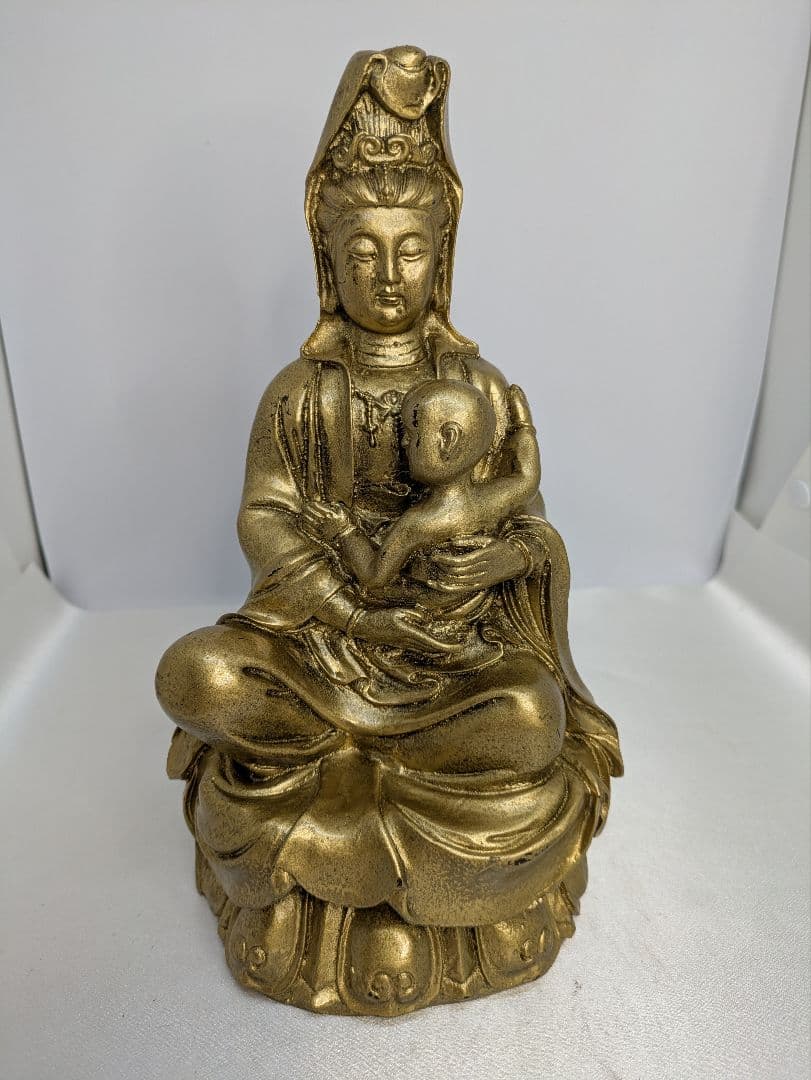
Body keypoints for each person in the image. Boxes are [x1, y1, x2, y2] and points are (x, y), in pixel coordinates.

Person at [156, 46, 622, 1015]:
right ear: (327, 257)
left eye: (409, 249)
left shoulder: (477, 387)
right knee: (196, 676)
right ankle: (342, 778)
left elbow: (526, 529)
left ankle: (344, 807)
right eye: (362, 251)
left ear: (441, 254)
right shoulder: (298, 394)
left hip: (447, 664)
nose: (387, 273)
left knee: (529, 720)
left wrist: (493, 561)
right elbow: (265, 515)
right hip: (319, 650)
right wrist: (350, 614)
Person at [298, 378, 541, 594]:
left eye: (413, 433)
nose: (403, 442)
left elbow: (374, 576)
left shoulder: (418, 522)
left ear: (448, 440)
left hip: (429, 605)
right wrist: (524, 426)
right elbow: (528, 476)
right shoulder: (495, 498)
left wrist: (343, 530)